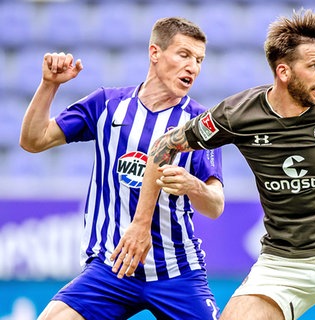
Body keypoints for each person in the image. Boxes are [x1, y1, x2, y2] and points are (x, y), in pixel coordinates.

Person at [112, 9, 315, 320]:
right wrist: (141, 222)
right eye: (314, 65)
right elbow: (164, 145)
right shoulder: (238, 114)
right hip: (283, 260)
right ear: (284, 72)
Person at [19, 17, 224, 320]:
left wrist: (193, 186)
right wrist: (49, 86)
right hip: (111, 267)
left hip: (176, 271)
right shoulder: (107, 104)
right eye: (184, 55)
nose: (192, 66)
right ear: (155, 53)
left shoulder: (199, 123)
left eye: (199, 60)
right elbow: (33, 140)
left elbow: (215, 205)